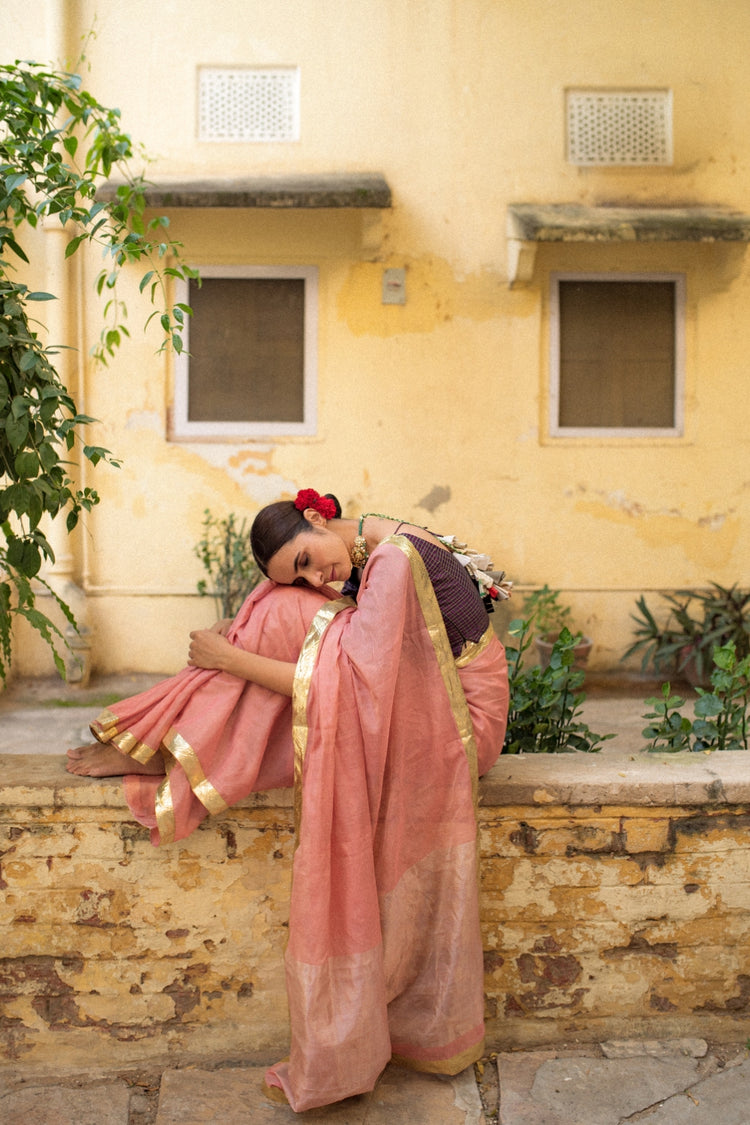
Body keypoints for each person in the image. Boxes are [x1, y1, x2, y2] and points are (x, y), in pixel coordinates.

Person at [66, 488, 510, 1112]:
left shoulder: (391, 561)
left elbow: (353, 689)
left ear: (316, 517)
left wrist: (233, 657)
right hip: (425, 697)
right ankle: (166, 741)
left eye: (305, 557)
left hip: (462, 723)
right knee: (274, 606)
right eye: (301, 570)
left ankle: (163, 744)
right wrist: (240, 639)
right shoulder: (366, 543)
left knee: (279, 618)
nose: (314, 573)